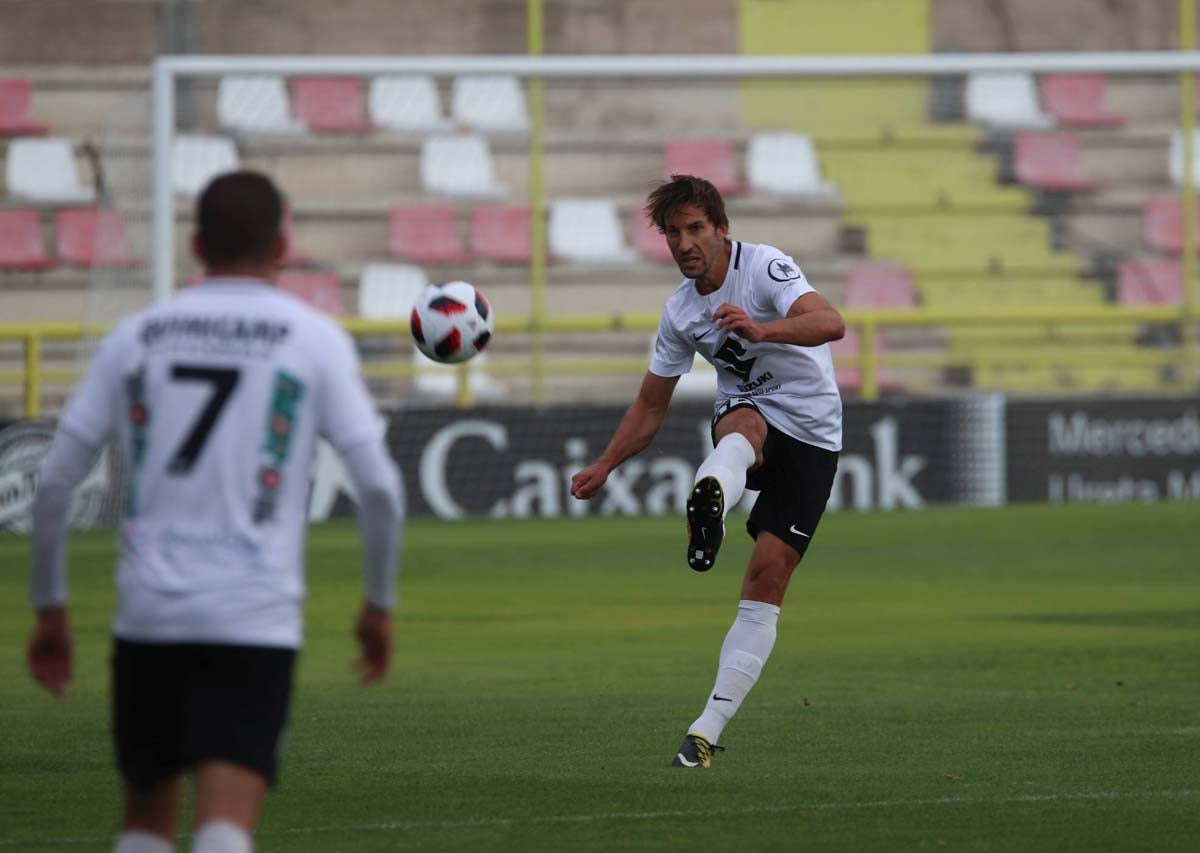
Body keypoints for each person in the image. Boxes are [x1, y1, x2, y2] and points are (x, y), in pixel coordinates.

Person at [26, 171, 405, 852]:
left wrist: (51, 608)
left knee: (144, 823)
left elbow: (54, 482)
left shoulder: (135, 335)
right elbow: (378, 486)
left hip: (149, 614)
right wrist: (377, 603)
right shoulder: (311, 338)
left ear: (196, 244)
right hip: (252, 615)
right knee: (225, 825)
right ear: (283, 243)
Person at [571, 174, 844, 768]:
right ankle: (711, 497)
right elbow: (650, 406)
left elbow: (831, 322)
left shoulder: (766, 267)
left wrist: (763, 327)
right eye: (673, 233)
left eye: (695, 228)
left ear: (722, 229)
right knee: (740, 423)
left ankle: (705, 729)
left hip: (816, 431)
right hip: (750, 415)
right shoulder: (679, 313)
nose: (684, 242)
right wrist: (605, 465)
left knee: (768, 578)